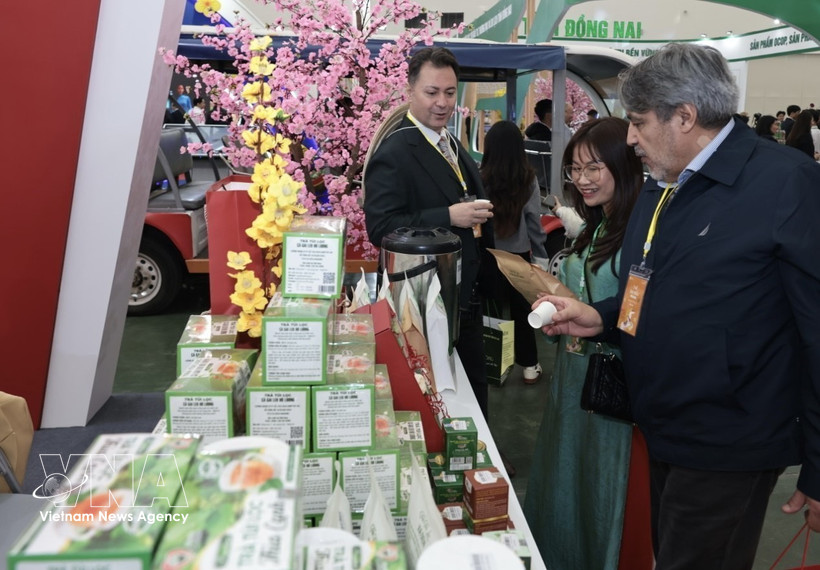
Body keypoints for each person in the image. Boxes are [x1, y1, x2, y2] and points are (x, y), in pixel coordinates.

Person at [534, 42, 820, 569]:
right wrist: (601, 317)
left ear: (685, 117)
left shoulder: (785, 183)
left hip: (730, 436)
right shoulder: (661, 182)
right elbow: (651, 286)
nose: (630, 138)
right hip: (663, 423)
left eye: (638, 122)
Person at [523, 117, 650, 570]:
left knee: (600, 489)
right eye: (575, 169)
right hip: (574, 373)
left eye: (594, 167)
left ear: (624, 163)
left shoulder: (640, 232)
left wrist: (593, 317)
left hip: (611, 387)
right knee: (566, 477)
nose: (583, 179)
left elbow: (639, 313)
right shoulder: (599, 224)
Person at [363, 47, 495, 419]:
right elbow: (381, 227)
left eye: (450, 93)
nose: (442, 103)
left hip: (462, 296)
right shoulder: (395, 150)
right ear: (410, 91)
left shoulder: (449, 142)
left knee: (471, 390)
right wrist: (449, 216)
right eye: (431, 92)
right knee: (435, 397)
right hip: (424, 306)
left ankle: (475, 449)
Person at [479, 121, 548, 384]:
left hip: (488, 255)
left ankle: (494, 365)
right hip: (518, 258)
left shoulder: (480, 177)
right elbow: (533, 223)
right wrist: (540, 256)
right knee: (522, 312)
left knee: (490, 311)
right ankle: (529, 366)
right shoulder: (528, 179)